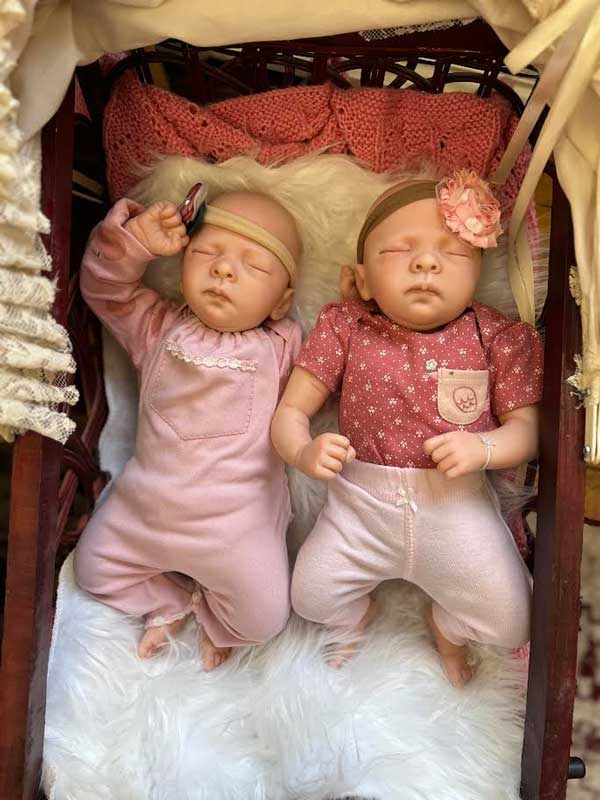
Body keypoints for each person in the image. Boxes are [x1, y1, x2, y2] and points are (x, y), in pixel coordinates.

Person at [271, 170, 542, 686]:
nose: (425, 262)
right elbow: (289, 414)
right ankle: (355, 616)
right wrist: (304, 451)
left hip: (455, 506)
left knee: (513, 622)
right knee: (309, 597)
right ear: (363, 280)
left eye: (452, 252)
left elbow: (528, 430)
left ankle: (449, 626)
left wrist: (483, 448)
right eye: (400, 250)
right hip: (359, 509)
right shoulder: (346, 326)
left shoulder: (494, 336)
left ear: (476, 273)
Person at [74, 186, 302, 670]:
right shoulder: (157, 326)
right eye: (207, 253)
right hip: (143, 512)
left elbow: (334, 368)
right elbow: (104, 289)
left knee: (264, 619)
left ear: (282, 302)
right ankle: (169, 602)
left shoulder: (282, 346)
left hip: (235, 528)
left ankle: (216, 619)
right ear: (181, 268)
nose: (224, 270)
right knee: (91, 571)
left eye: (253, 265)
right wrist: (136, 242)